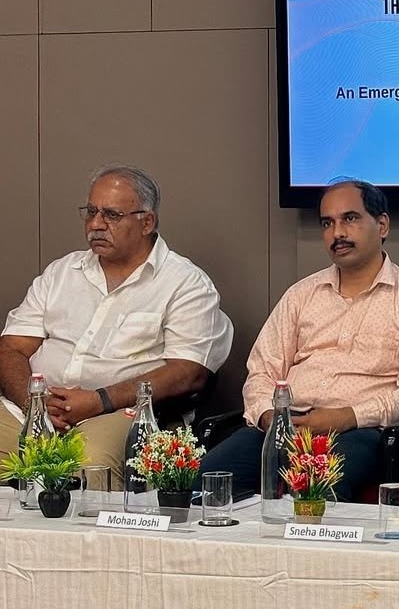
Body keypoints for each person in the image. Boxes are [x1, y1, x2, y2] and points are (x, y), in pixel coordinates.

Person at [197, 180, 399, 500]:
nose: (337, 233)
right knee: (204, 482)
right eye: (327, 223)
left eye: (350, 219)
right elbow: (261, 371)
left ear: (382, 225)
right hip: (284, 426)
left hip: (355, 432)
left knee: (313, 495)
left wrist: (348, 416)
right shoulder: (301, 295)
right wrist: (268, 416)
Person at [0, 165, 233, 475]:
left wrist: (99, 400)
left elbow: (188, 372)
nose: (96, 225)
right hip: (32, 408)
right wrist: (33, 405)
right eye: (91, 212)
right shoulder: (61, 273)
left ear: (147, 222)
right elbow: (12, 348)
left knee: (88, 465)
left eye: (111, 215)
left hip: (118, 412)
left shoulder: (185, 283)